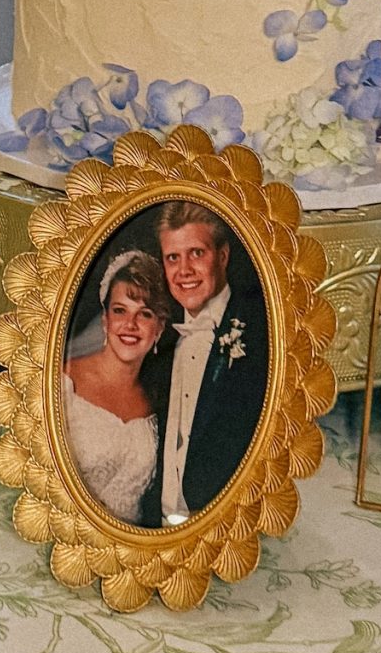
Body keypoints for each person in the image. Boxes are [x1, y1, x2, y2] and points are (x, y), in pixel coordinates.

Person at [137, 201, 269, 524]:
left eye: (196, 253)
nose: (183, 271)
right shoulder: (159, 338)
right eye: (173, 258)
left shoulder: (261, 333)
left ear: (222, 256)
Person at [62, 250, 170, 522]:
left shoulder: (159, 403)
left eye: (144, 314)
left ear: (158, 329)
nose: (130, 325)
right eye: (119, 310)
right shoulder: (65, 383)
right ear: (105, 320)